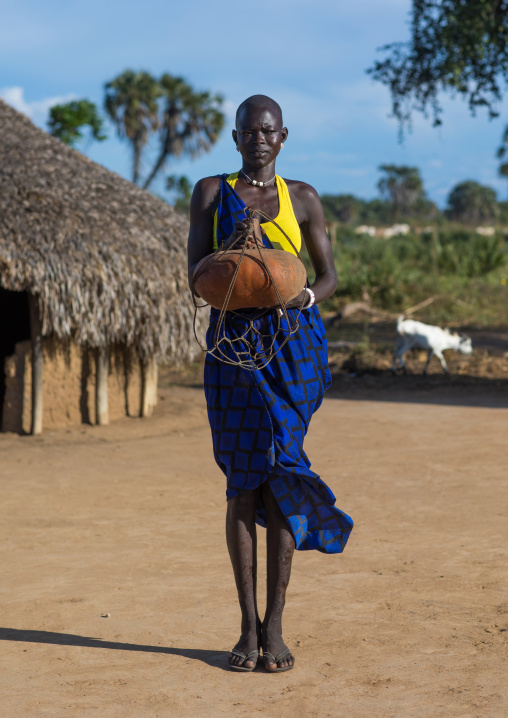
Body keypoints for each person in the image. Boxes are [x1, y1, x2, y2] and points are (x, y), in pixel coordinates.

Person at [187, 95, 353, 673]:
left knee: (281, 475)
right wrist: (237, 265)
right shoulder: (211, 192)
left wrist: (298, 292)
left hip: (292, 346)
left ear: (283, 137)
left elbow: (329, 275)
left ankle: (276, 624)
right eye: (248, 130)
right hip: (233, 346)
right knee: (242, 482)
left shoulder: (301, 198)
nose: (259, 138)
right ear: (235, 138)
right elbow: (193, 273)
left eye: (268, 130)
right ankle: (245, 626)